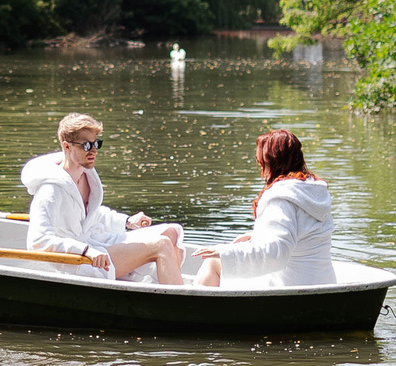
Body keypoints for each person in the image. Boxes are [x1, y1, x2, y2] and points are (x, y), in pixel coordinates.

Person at [22, 113, 186, 284]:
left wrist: (127, 222)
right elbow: (38, 242)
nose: (93, 150)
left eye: (96, 143)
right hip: (75, 260)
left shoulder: (85, 175)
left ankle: (168, 285)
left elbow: (91, 215)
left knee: (170, 232)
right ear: (67, 146)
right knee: (161, 244)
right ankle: (179, 300)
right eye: (86, 145)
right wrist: (85, 250)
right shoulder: (50, 190)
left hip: (94, 245)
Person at [192, 128, 335, 288]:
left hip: (292, 288)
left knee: (213, 262)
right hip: (324, 282)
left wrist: (224, 252)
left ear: (273, 163)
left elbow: (276, 253)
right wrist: (256, 236)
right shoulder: (311, 193)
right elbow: (301, 235)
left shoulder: (282, 198)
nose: (261, 170)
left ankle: (194, 310)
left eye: (262, 163)